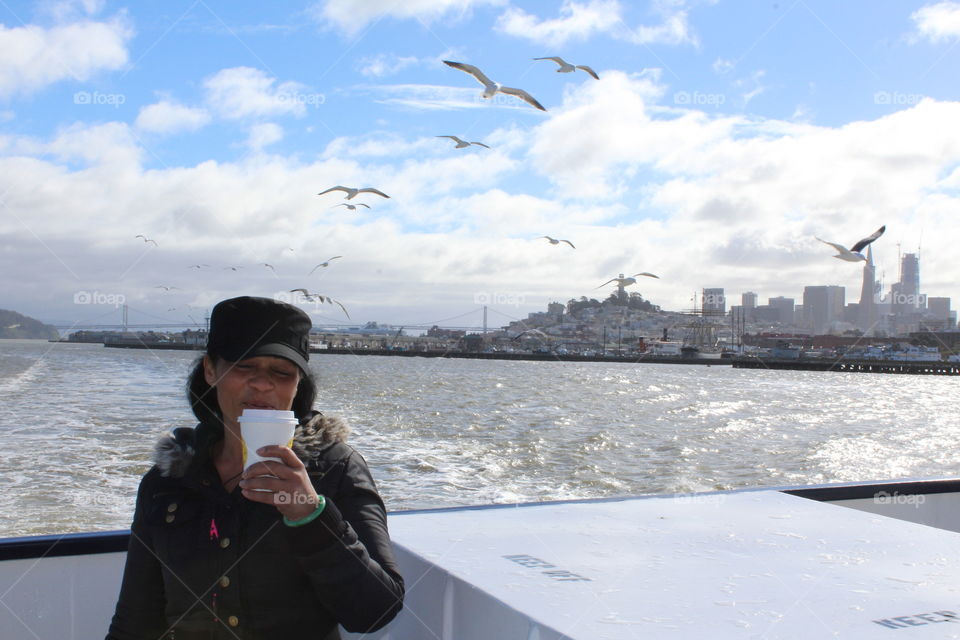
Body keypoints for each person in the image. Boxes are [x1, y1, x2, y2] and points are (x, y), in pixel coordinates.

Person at [107, 296, 404, 639]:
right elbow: (135, 619)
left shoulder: (336, 468)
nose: (263, 385)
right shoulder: (168, 480)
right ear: (210, 370)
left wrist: (310, 515)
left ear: (297, 385)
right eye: (244, 367)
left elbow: (375, 612)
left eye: (282, 372)